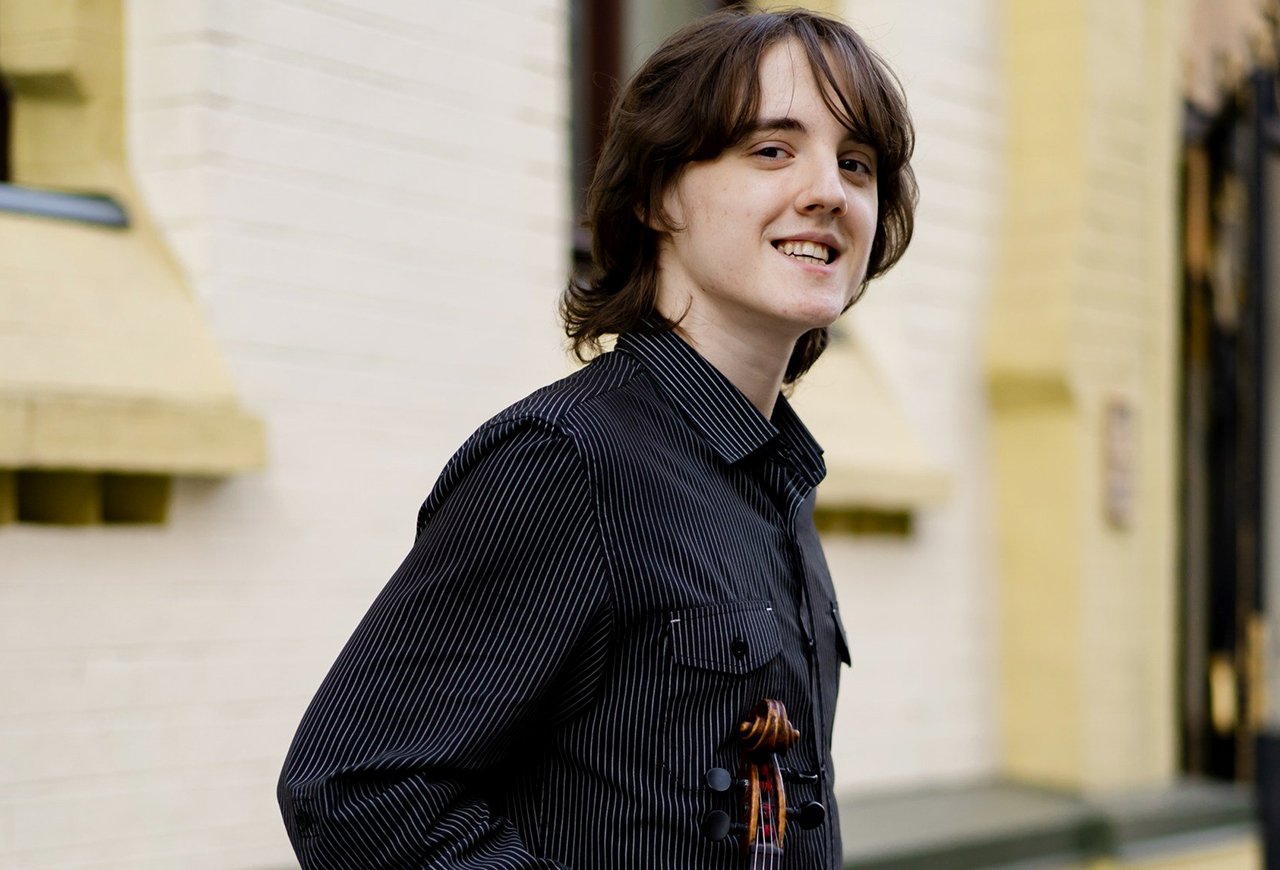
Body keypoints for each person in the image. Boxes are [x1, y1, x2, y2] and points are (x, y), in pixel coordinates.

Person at [278, 6, 915, 868]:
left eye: (856, 164)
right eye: (772, 150)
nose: (829, 192)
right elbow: (354, 792)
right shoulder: (568, 463)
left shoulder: (778, 484)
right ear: (656, 195)